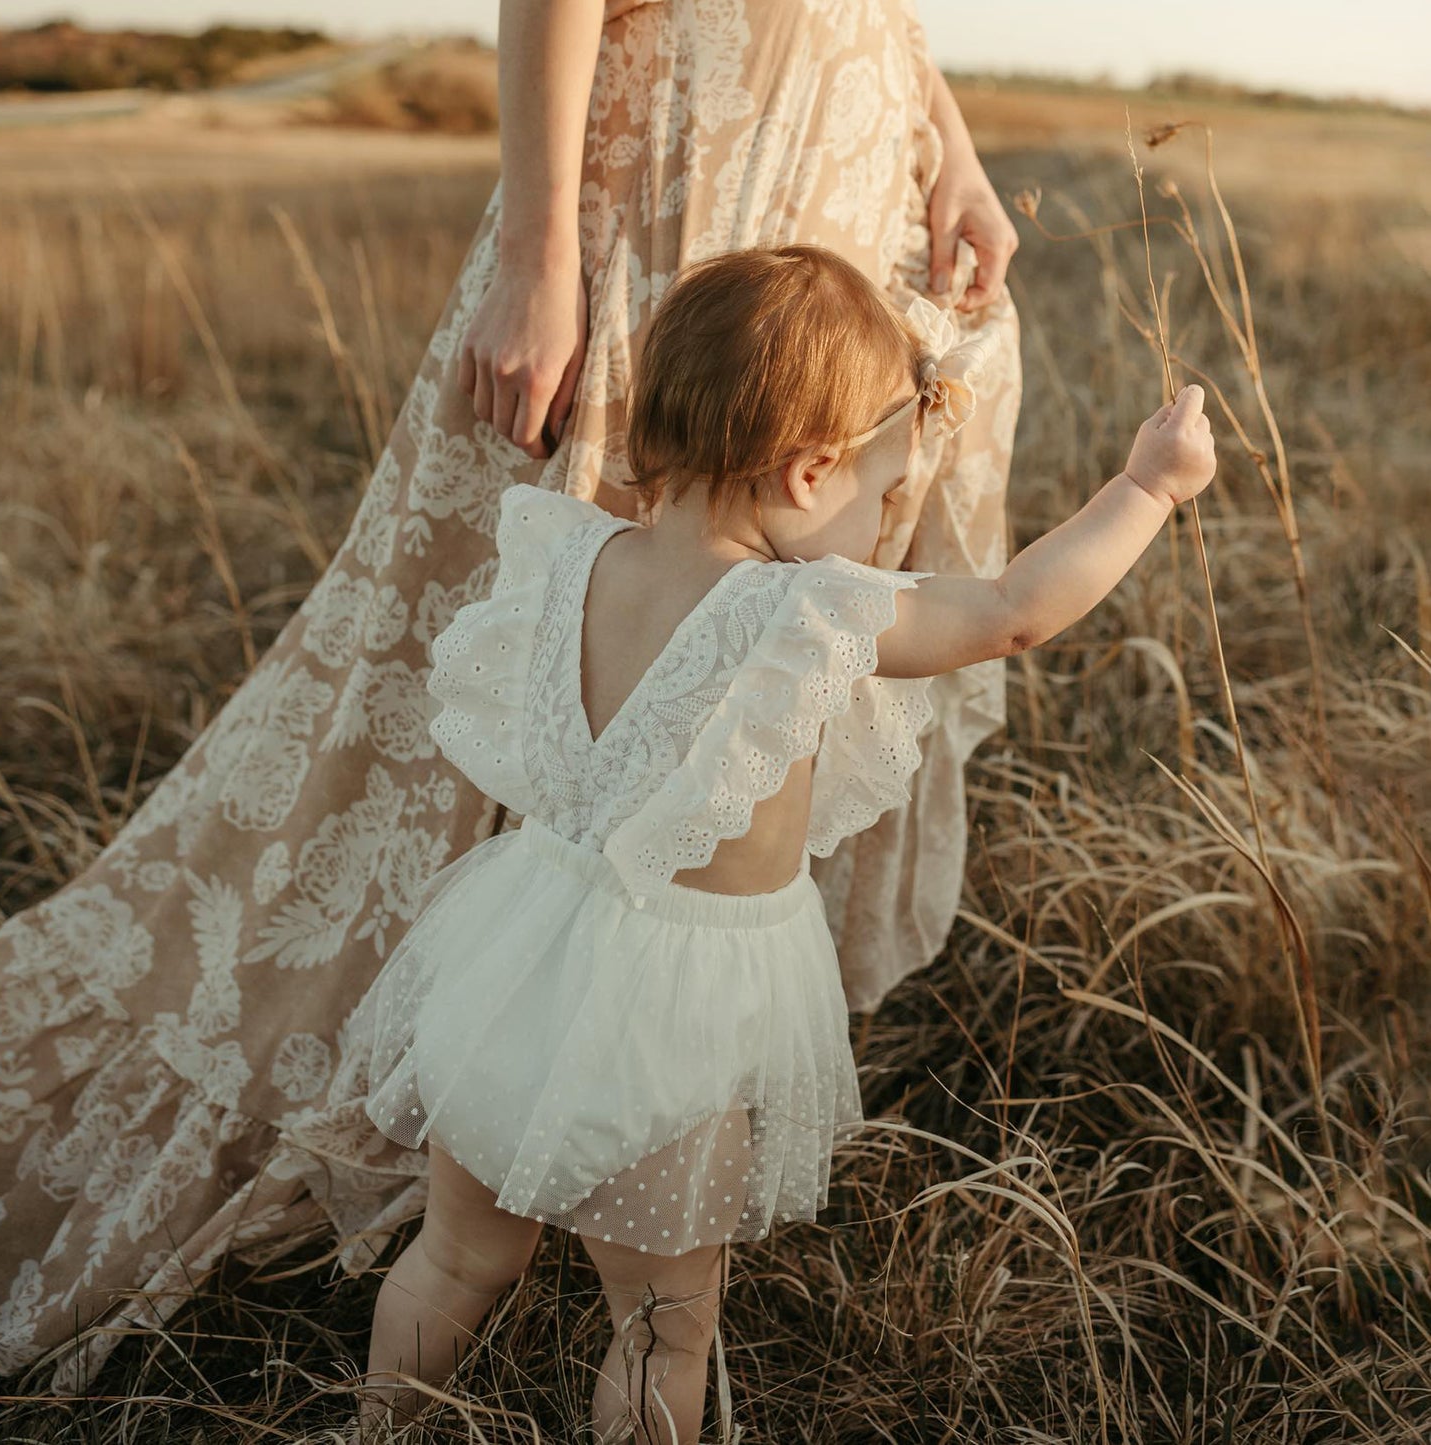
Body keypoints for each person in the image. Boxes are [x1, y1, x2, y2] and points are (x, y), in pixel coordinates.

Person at [0, 0, 1022, 1390]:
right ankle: (490, 1093)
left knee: (754, 638)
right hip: (683, 150)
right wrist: (541, 248)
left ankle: (574, 1116)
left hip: (847, 139)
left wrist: (943, 144)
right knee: (643, 580)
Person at [352, 244, 1216, 1444]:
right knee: (661, 1320)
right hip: (674, 1021)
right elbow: (1014, 611)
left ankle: (375, 1426)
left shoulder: (571, 554)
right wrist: (1147, 488)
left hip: (515, 963)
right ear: (809, 471)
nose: (878, 522)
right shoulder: (802, 610)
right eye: (882, 491)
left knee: (451, 1261)